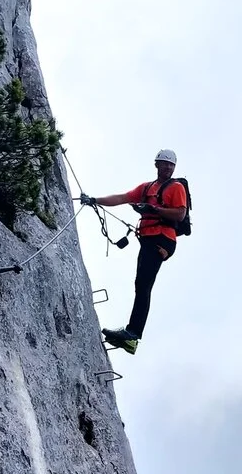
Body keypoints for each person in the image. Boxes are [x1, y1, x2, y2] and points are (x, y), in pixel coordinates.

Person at [80, 149, 188, 355]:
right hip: (149, 239)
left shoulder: (176, 187)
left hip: (162, 238)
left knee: (144, 284)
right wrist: (95, 200)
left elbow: (180, 214)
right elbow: (122, 197)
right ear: (156, 164)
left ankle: (133, 335)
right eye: (164, 163)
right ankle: (131, 335)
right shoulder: (147, 188)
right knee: (141, 283)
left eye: (171, 165)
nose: (168, 167)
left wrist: (153, 210)